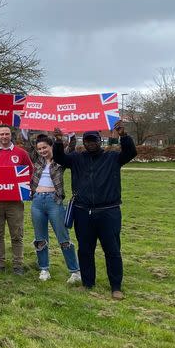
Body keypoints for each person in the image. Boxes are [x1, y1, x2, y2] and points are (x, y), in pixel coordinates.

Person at [53, 123, 136, 300]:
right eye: (88, 140)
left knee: (112, 250)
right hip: (83, 212)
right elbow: (59, 158)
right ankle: (88, 283)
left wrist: (124, 136)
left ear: (100, 141)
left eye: (94, 140)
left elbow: (130, 153)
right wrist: (58, 141)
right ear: (84, 142)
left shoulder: (112, 157)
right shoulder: (76, 158)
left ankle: (116, 286)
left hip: (109, 211)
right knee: (85, 250)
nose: (91, 143)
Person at [0, 124, 32, 275]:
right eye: (1, 134)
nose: (4, 137)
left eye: (7, 134)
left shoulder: (21, 153)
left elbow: (30, 172)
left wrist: (24, 189)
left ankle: (18, 265)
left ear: (11, 135)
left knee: (17, 234)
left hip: (15, 202)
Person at [30, 135, 81, 284]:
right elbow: (28, 142)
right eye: (39, 149)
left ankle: (74, 271)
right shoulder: (37, 160)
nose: (42, 151)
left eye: (45, 147)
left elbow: (71, 147)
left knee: (63, 237)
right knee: (40, 238)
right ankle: (44, 269)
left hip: (54, 200)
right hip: (37, 201)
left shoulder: (60, 160)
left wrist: (69, 134)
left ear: (51, 146)